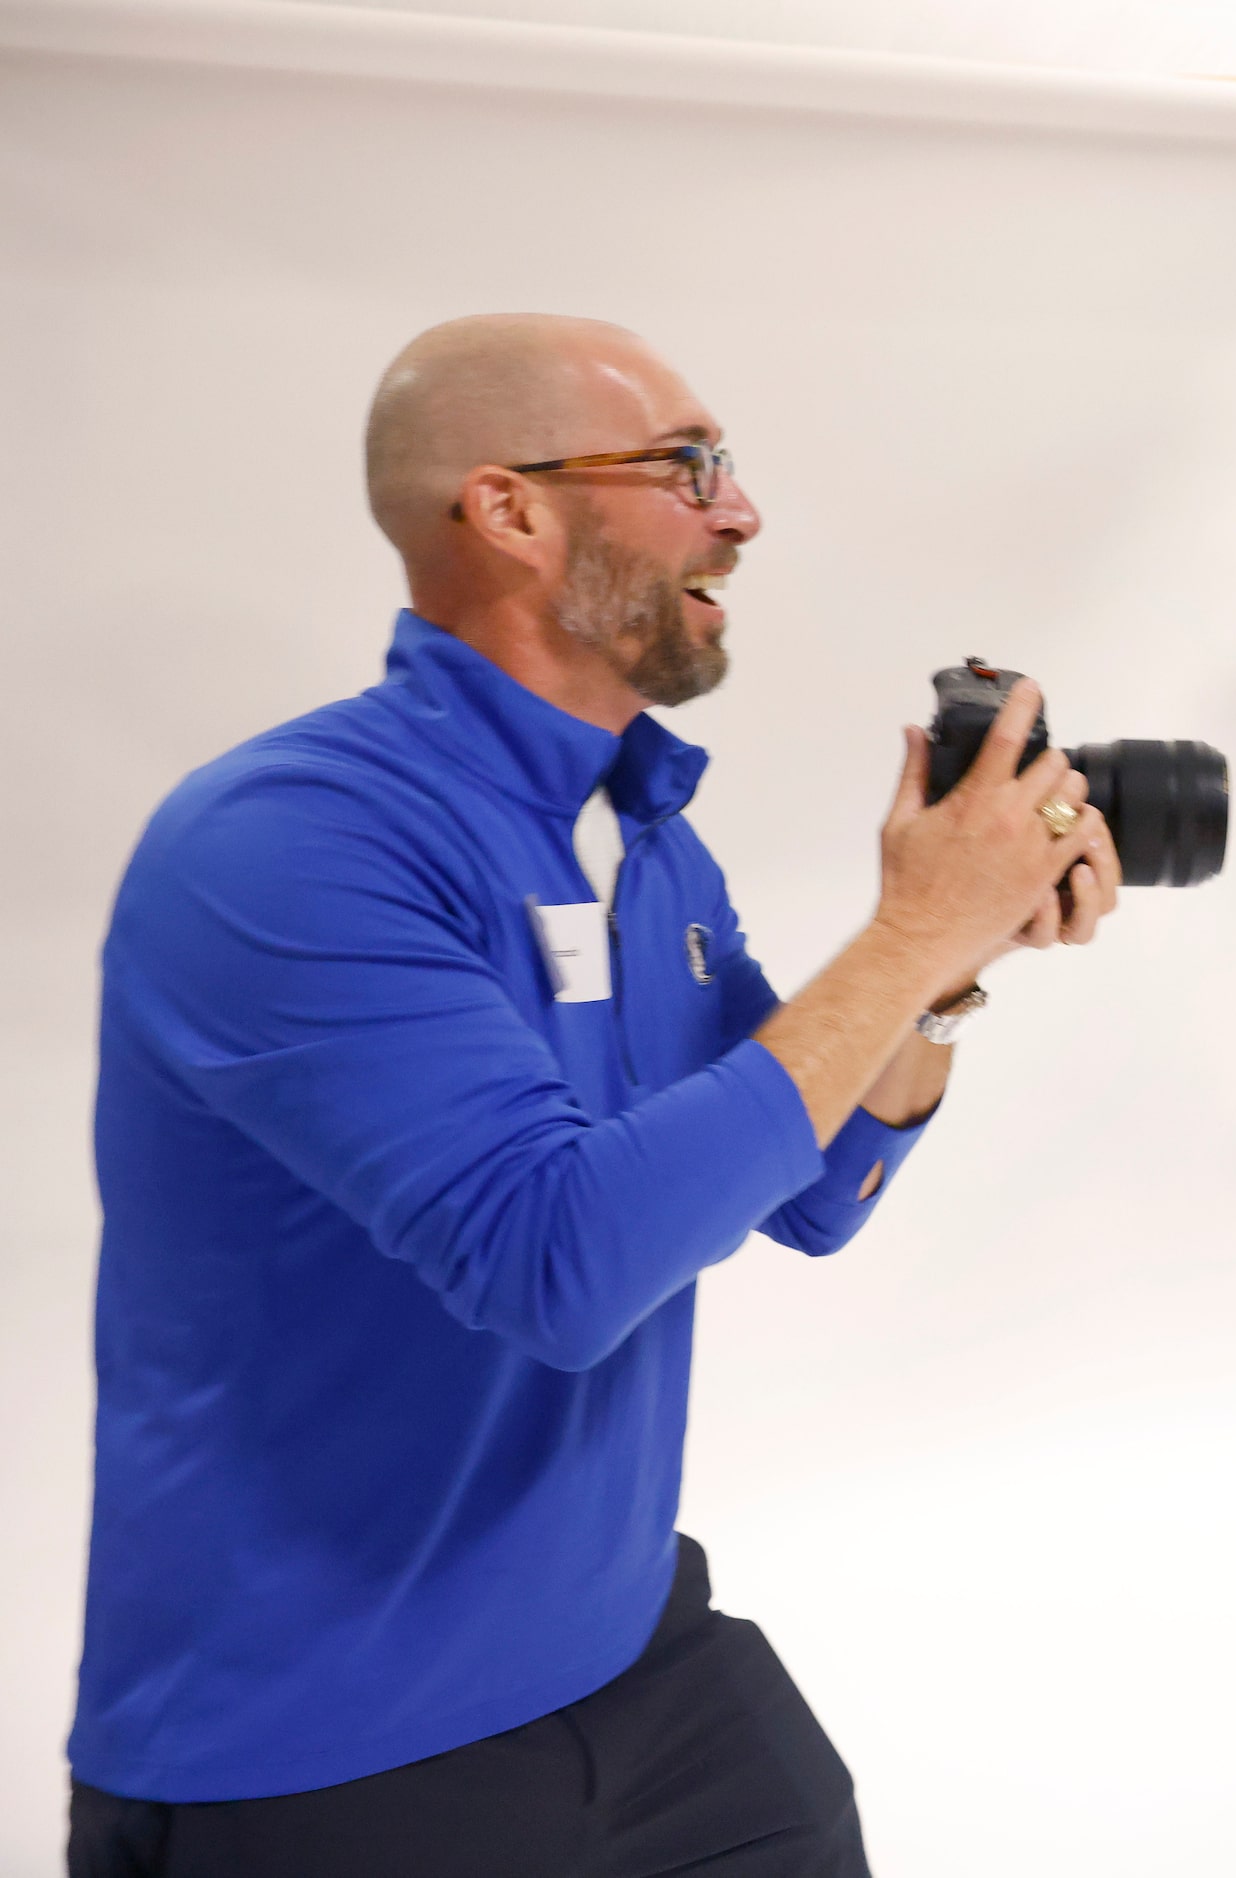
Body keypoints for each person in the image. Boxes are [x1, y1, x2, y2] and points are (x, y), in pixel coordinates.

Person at [67, 313, 1121, 1877]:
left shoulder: (642, 832)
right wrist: (909, 934)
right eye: (691, 466)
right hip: (321, 1744)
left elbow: (817, 1191)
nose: (742, 511)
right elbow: (559, 1266)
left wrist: (950, 972)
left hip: (635, 1652)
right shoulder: (288, 841)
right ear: (509, 510)